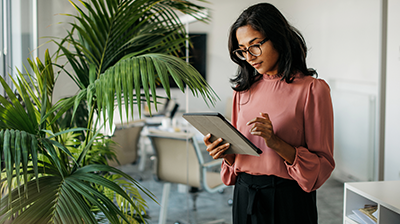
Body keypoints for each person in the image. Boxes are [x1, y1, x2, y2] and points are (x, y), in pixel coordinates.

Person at [203, 3, 335, 224]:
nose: (249, 56)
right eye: (242, 50)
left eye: (255, 45)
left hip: (288, 199)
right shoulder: (243, 91)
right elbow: (239, 159)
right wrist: (224, 152)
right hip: (244, 195)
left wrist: (275, 141)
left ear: (278, 37)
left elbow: (322, 165)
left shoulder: (313, 89)